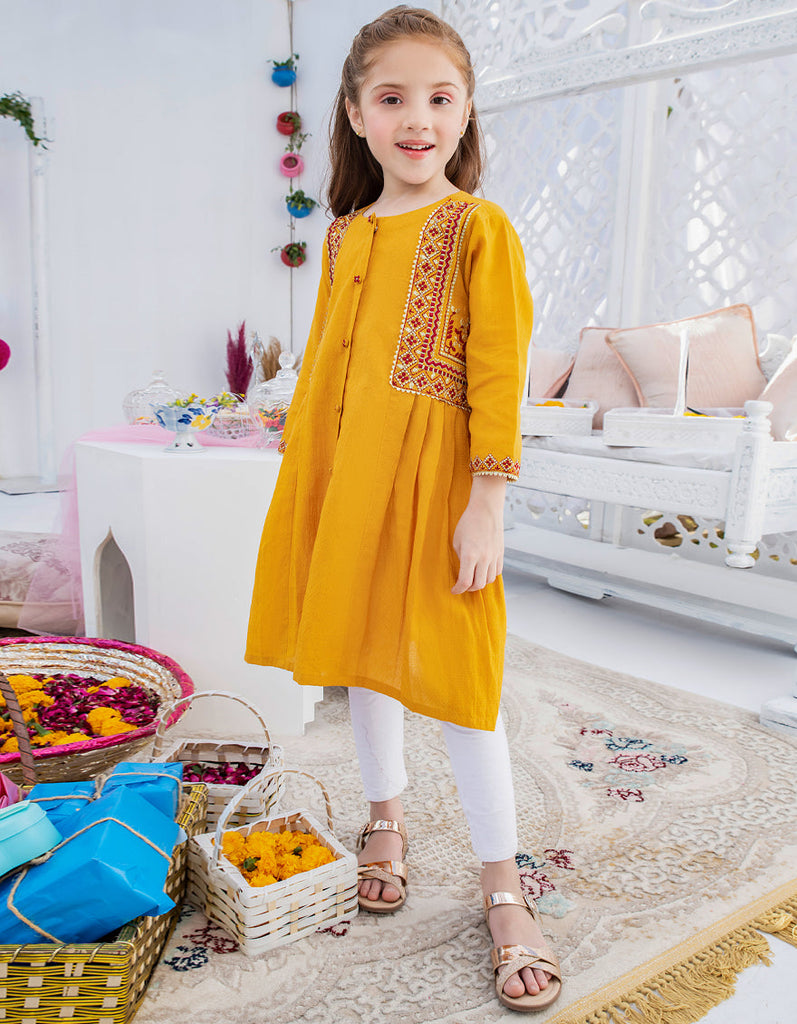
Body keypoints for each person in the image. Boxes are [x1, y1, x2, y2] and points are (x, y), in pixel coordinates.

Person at [246, 5, 561, 1013]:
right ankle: (385, 816)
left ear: (465, 112)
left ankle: (502, 886)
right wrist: (303, 469)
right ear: (355, 113)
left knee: (463, 681)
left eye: (439, 98)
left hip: (439, 485)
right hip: (346, 476)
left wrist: (486, 503)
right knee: (361, 652)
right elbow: (327, 364)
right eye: (392, 98)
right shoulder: (342, 235)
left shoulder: (478, 227)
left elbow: (498, 370)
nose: (416, 119)